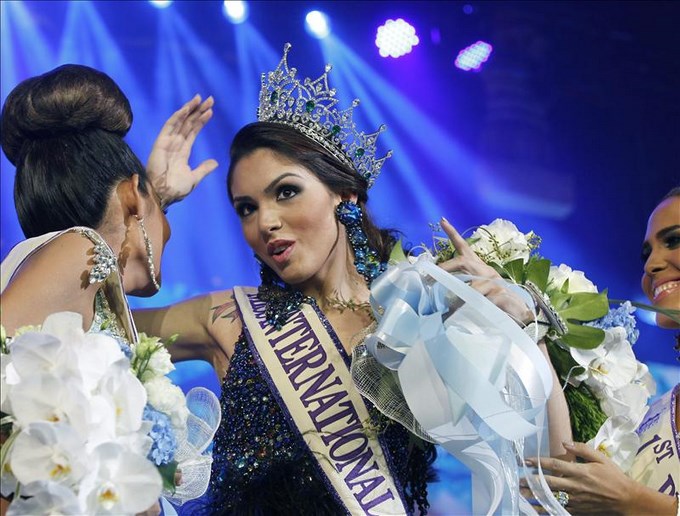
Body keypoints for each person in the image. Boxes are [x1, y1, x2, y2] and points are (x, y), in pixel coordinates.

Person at [134, 44, 572, 514]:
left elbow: (553, 474)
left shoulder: (417, 314)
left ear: (344, 193)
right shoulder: (227, 318)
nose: (265, 222)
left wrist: (524, 332)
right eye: (247, 208)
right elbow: (96, 328)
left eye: (286, 192)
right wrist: (152, 201)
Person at [0, 63, 216, 515]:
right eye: (160, 212)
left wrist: (153, 196)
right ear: (133, 196)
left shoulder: (70, 268)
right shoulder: (81, 249)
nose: (168, 231)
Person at [530, 187, 679, 515]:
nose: (652, 264)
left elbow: (625, 499)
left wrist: (631, 500)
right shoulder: (657, 410)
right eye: (646, 254)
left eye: (674, 240)